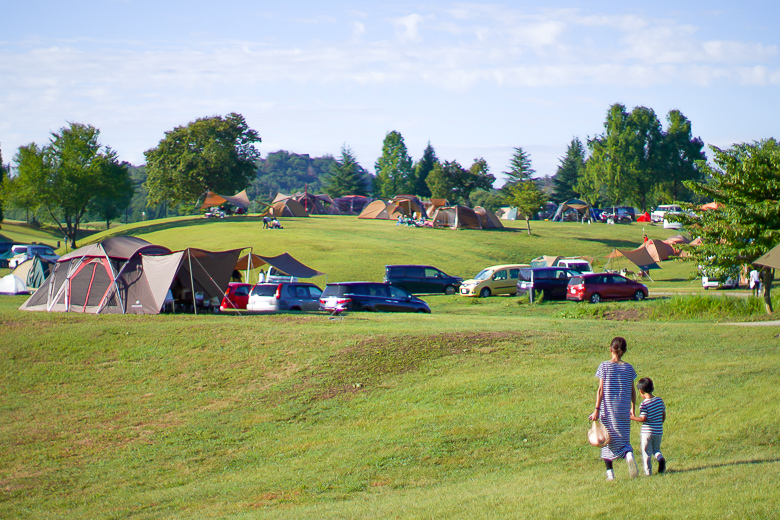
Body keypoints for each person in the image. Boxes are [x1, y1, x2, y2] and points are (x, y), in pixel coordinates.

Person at [588, 336, 638, 481]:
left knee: (606, 440)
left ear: (610, 349)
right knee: (624, 441)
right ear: (624, 351)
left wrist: (597, 409)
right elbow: (633, 391)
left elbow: (600, 390)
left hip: (608, 410)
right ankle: (628, 455)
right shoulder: (629, 368)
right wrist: (633, 408)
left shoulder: (604, 366)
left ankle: (610, 474)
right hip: (623, 410)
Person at [630, 377, 667, 475]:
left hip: (647, 432)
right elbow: (663, 415)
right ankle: (660, 458)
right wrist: (659, 423)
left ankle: (648, 472)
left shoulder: (644, 404)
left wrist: (632, 417)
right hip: (658, 431)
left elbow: (643, 418)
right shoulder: (659, 400)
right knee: (656, 449)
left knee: (646, 452)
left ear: (641, 391)